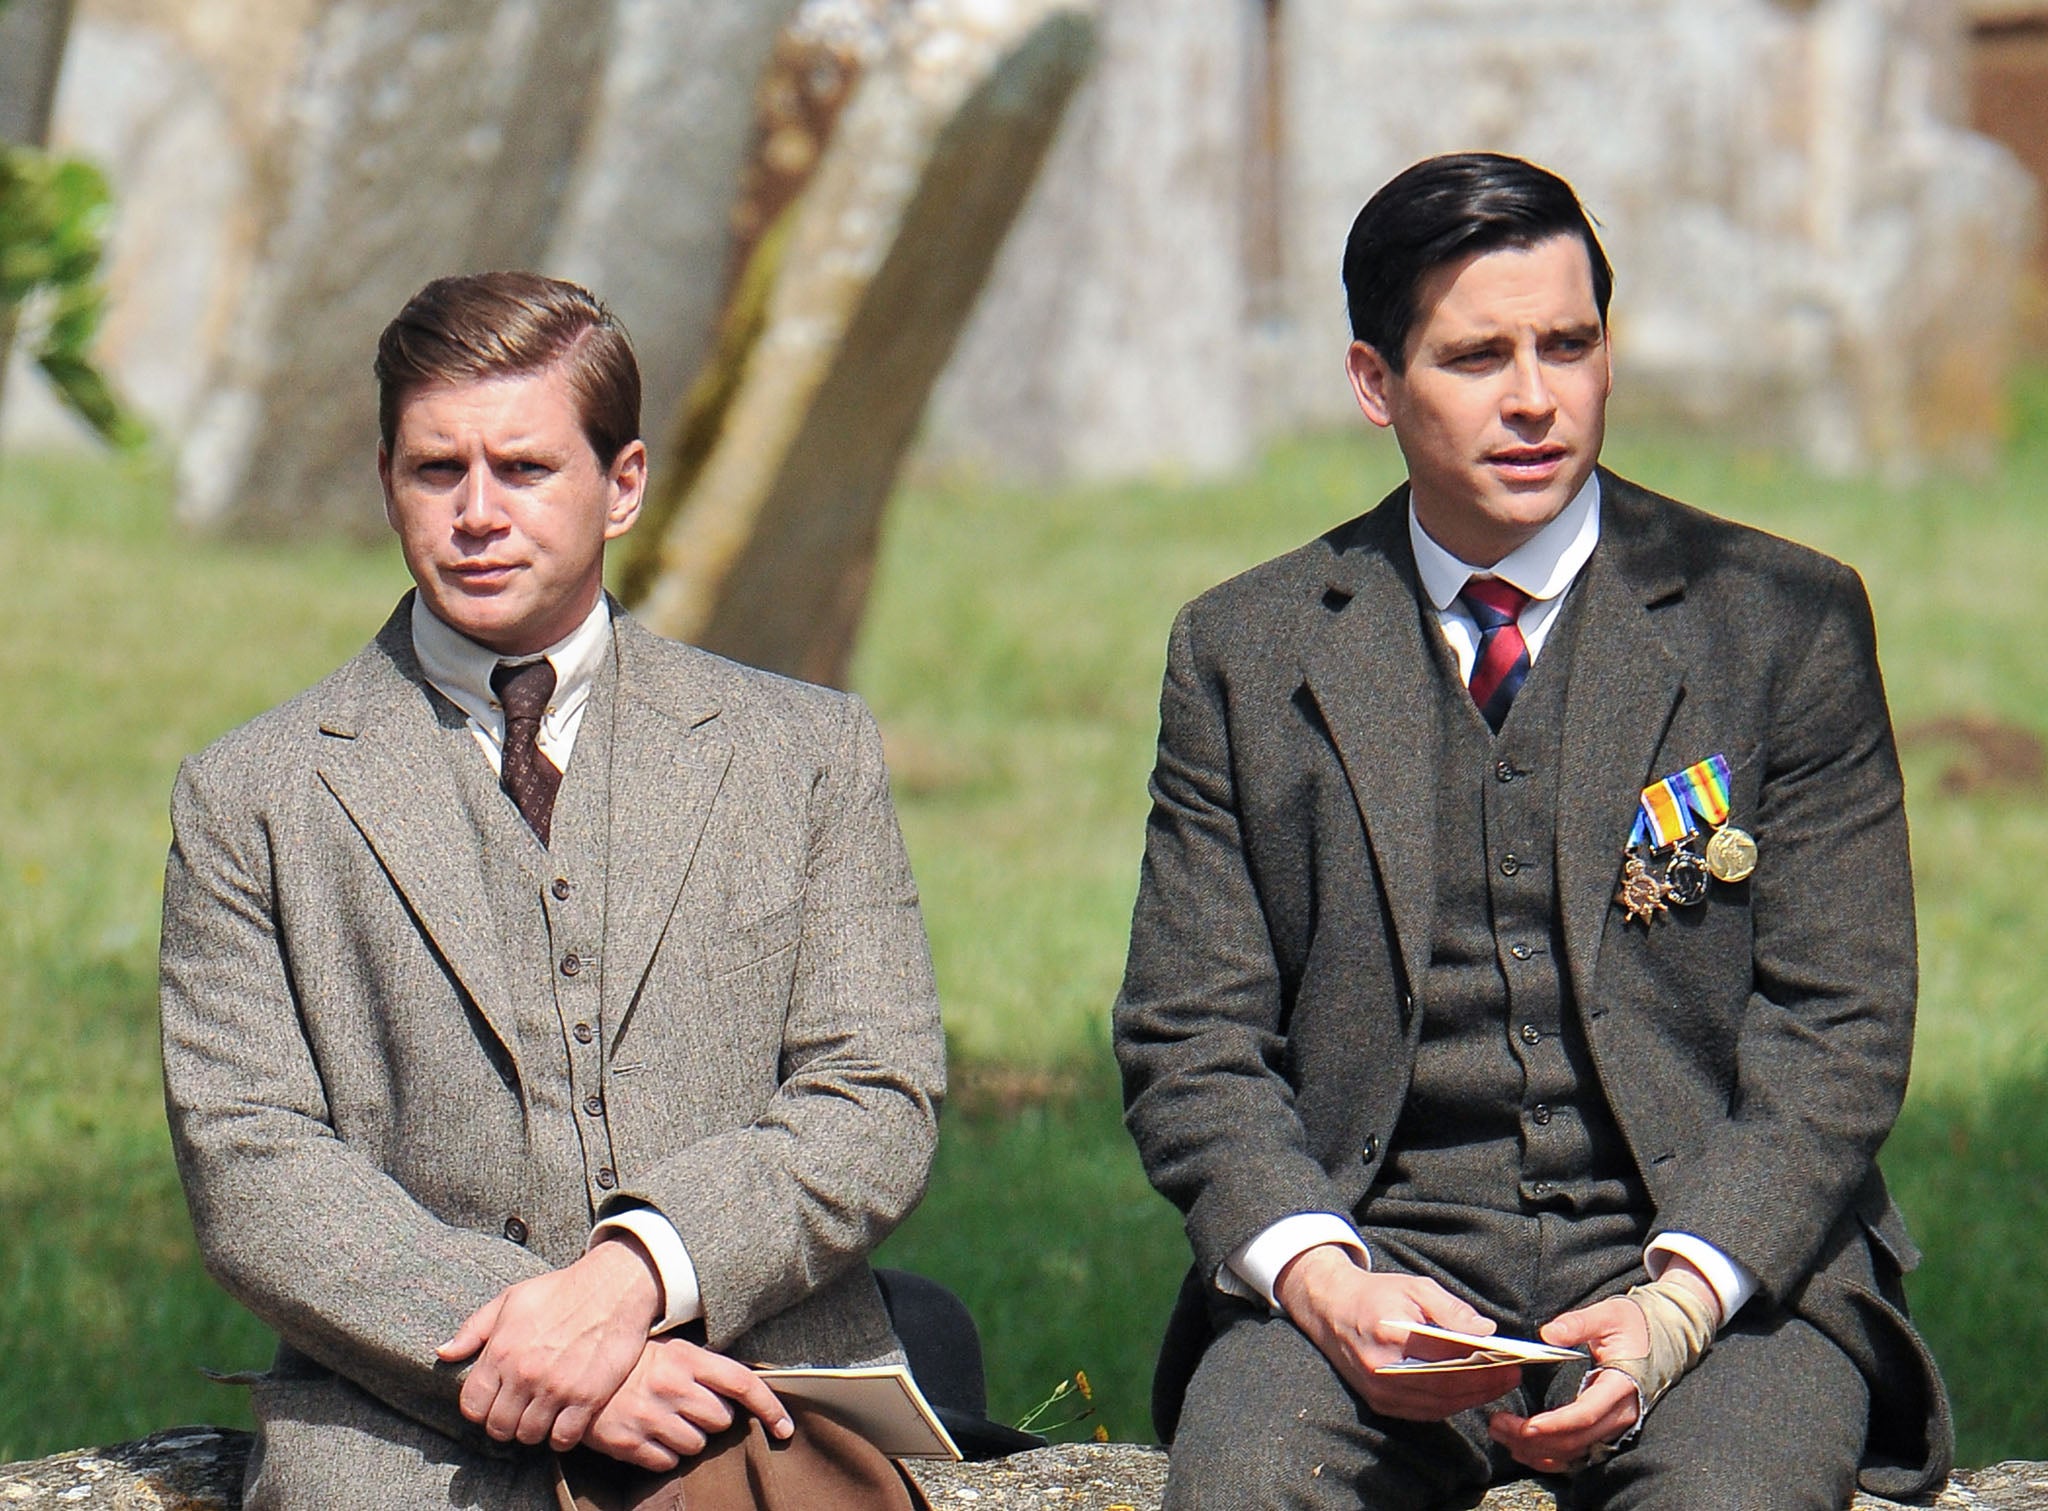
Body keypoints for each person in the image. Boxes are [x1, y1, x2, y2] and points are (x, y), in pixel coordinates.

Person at [1111, 153, 1950, 1510]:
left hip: (1727, 1274)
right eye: (1476, 355)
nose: (1534, 399)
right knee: (1254, 1484)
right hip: (1376, 1254)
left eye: (1570, 344)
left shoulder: (1780, 623)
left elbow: (1843, 1020)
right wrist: (1324, 1283)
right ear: (1375, 384)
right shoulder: (1247, 651)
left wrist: (1683, 1298)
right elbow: (1188, 1034)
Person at [159, 271, 946, 1508]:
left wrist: (637, 1275)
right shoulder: (250, 793)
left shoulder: (800, 751)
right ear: (386, 481)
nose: (476, 512)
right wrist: (527, 1346)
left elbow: (875, 1092)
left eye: (523, 469)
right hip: (401, 1427)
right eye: (436, 470)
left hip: (750, 1403)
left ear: (621, 483)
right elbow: (251, 1164)